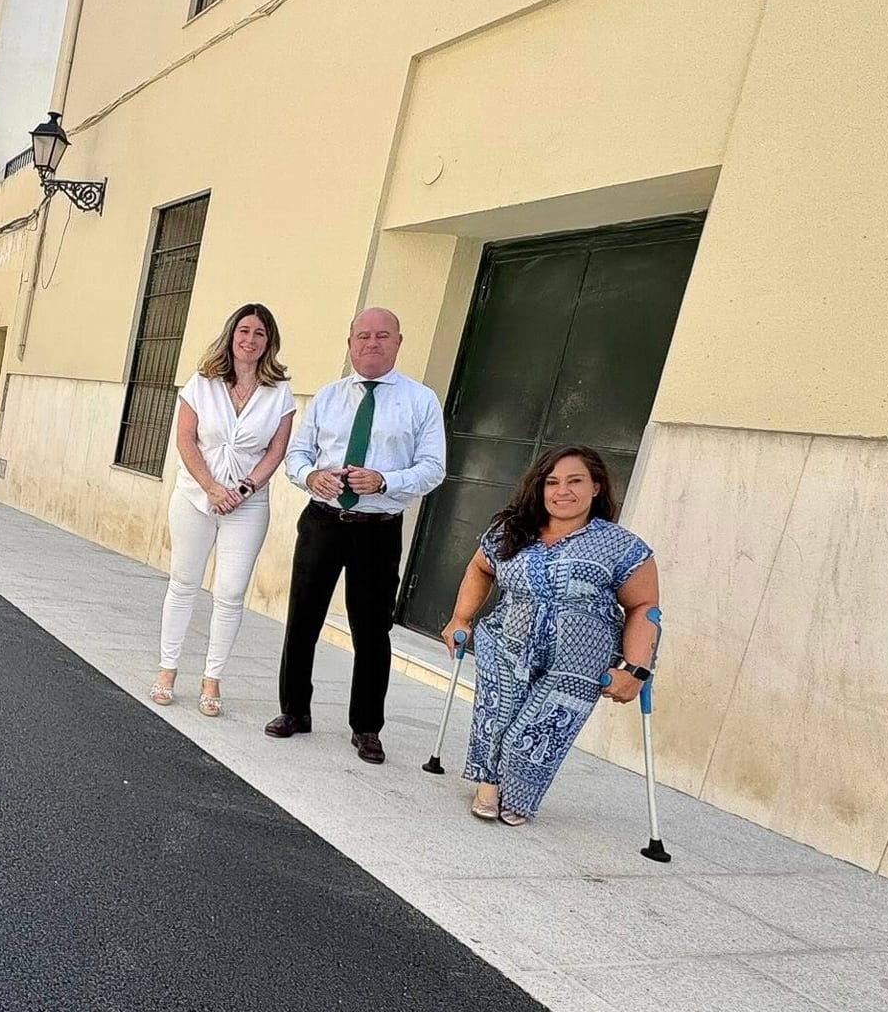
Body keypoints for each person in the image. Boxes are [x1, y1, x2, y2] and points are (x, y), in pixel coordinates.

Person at [440, 445, 661, 826]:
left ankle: (520, 795)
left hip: (580, 661)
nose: (562, 491)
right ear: (540, 489)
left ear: (596, 487)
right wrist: (461, 618)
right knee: (497, 715)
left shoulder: (622, 547)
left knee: (542, 730)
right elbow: (480, 568)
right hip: (506, 643)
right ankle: (488, 783)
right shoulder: (510, 531)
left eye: (575, 481)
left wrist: (636, 668)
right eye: (552, 482)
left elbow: (644, 607)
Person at [266, 307, 445, 765]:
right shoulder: (327, 397)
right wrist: (311, 478)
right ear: (350, 343)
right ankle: (294, 711)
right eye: (363, 335)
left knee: (372, 631)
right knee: (303, 618)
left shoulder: (421, 401)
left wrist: (385, 481)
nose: (372, 343)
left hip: (377, 530)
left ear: (398, 342)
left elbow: (433, 468)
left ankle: (367, 727)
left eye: (382, 335)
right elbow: (297, 455)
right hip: (323, 522)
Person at [151, 303, 297, 717]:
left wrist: (245, 488)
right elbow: (184, 440)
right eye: (244, 331)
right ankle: (168, 668)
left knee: (231, 594)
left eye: (260, 334)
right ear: (232, 334)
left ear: (269, 342)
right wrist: (213, 488)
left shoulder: (279, 392)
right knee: (183, 583)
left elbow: (276, 450)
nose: (250, 340)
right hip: (196, 497)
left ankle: (212, 678)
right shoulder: (202, 383)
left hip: (248, 506)